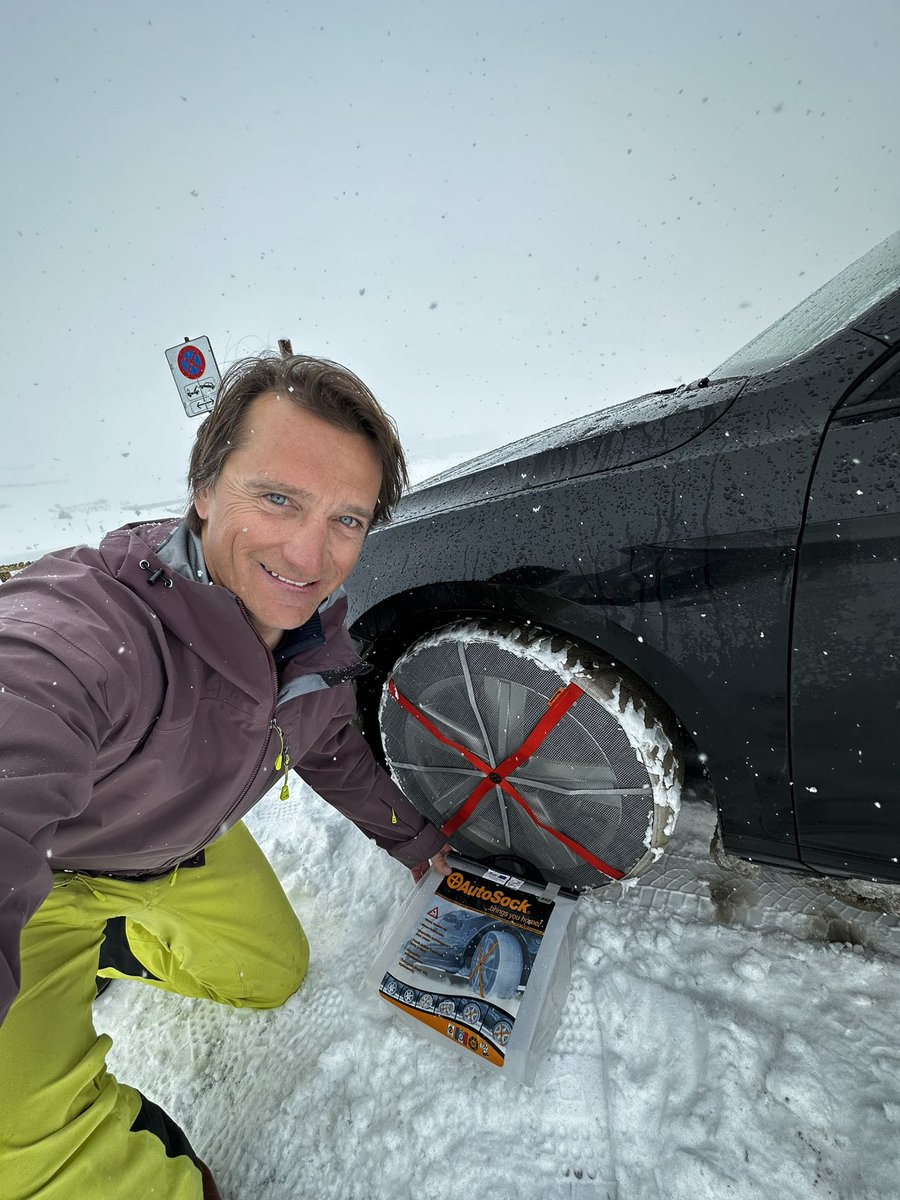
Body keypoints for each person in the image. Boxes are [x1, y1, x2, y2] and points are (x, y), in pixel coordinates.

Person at [0, 353, 451, 1200]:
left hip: (177, 849)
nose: (310, 552)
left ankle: (116, 946)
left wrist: (418, 844)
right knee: (20, 1150)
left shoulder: (312, 646)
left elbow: (322, 746)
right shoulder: (91, 632)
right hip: (46, 880)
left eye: (347, 519)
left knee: (268, 977)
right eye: (278, 497)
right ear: (204, 490)